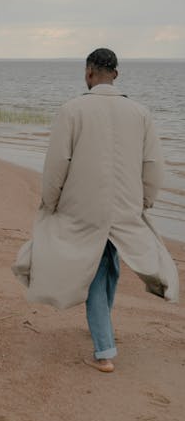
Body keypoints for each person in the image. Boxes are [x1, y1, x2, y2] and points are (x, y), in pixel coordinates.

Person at [13, 48, 179, 372]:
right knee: (107, 269)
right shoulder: (140, 112)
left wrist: (49, 202)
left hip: (83, 210)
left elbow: (58, 163)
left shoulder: (72, 110)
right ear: (116, 74)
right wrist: (145, 200)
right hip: (125, 210)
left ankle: (104, 350)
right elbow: (154, 165)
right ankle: (101, 330)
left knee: (98, 273)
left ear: (88, 72)